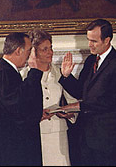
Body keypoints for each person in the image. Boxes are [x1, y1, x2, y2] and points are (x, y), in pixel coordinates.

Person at [58, 18, 116, 166]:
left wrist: (76, 107)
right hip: (87, 138)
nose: (89, 44)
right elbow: (81, 91)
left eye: (94, 41)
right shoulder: (91, 60)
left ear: (107, 40)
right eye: (88, 40)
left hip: (108, 142)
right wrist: (66, 76)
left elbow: (112, 102)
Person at [0, 32, 46, 166]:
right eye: (29, 51)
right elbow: (18, 106)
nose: (30, 55)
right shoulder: (4, 73)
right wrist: (34, 72)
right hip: (12, 148)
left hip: (11, 144)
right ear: (18, 51)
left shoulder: (6, 70)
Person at [20, 29, 78, 166]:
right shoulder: (24, 76)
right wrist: (36, 115)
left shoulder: (60, 72)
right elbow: (19, 109)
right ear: (34, 52)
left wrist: (69, 113)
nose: (50, 52)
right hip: (35, 133)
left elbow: (74, 101)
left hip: (59, 135)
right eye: (44, 49)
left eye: (50, 48)